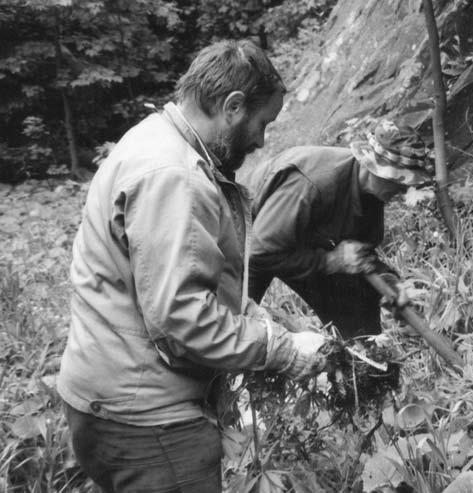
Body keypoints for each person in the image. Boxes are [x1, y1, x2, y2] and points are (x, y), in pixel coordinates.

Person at [57, 40, 327, 493]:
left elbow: (162, 280)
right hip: (147, 420)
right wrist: (278, 348)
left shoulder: (154, 138)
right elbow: (181, 320)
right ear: (233, 105)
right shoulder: (175, 174)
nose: (261, 140)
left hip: (111, 397)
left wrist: (250, 316)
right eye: (263, 123)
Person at [242, 119, 434, 338]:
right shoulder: (311, 185)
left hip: (302, 242)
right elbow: (259, 253)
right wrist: (331, 261)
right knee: (236, 326)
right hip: (249, 240)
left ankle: (362, 362)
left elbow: (361, 253)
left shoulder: (372, 192)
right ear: (371, 166)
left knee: (359, 314)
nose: (401, 189)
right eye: (396, 180)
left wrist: (389, 282)